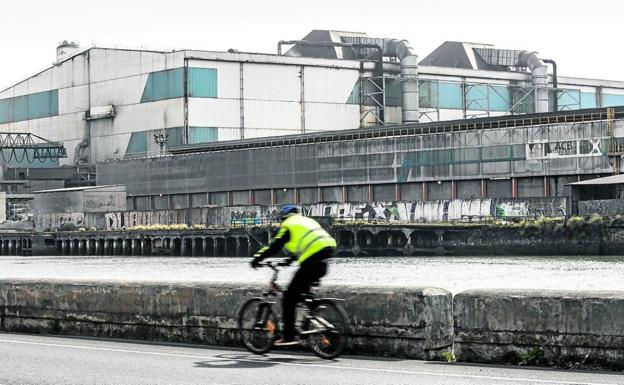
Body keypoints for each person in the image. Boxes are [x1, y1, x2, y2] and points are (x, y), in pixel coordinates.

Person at [251, 205, 336, 346]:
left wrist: (257, 258)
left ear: (283, 217)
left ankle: (289, 336)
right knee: (303, 291)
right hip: (325, 257)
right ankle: (313, 307)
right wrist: (289, 260)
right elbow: (304, 244)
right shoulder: (306, 221)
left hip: (312, 261)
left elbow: (275, 246)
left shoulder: (289, 225)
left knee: (288, 298)